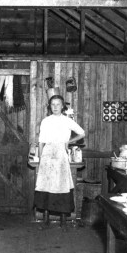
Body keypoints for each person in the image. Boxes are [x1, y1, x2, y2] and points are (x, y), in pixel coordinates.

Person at [34, 95, 85, 229]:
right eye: (53, 104)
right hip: (47, 154)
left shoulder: (67, 121)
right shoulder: (46, 121)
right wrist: (40, 160)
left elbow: (82, 133)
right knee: (46, 185)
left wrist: (69, 142)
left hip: (61, 155)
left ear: (62, 106)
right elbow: (41, 142)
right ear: (49, 107)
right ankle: (46, 219)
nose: (55, 107)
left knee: (62, 185)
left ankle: (63, 219)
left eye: (58, 104)